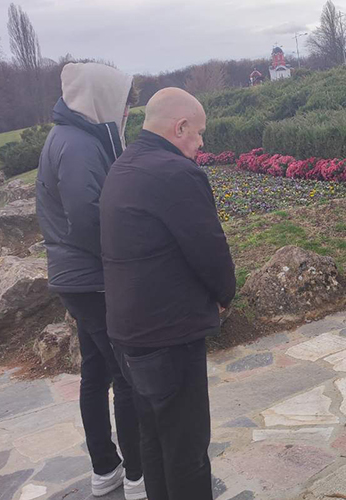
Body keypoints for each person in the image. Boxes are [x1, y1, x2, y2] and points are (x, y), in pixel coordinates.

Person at [100, 87, 236, 500]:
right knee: (186, 450)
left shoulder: (123, 166)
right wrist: (225, 294)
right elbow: (209, 250)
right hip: (169, 333)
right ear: (180, 128)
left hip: (129, 332)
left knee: (154, 439)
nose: (201, 142)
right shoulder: (176, 173)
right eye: (198, 132)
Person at [36, 62, 146, 500]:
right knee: (126, 374)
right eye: (121, 104)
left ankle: (105, 467)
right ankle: (138, 473)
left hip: (76, 277)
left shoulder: (67, 136)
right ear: (99, 99)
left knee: (95, 371)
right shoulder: (79, 144)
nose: (125, 114)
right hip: (93, 277)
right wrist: (128, 259)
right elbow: (88, 220)